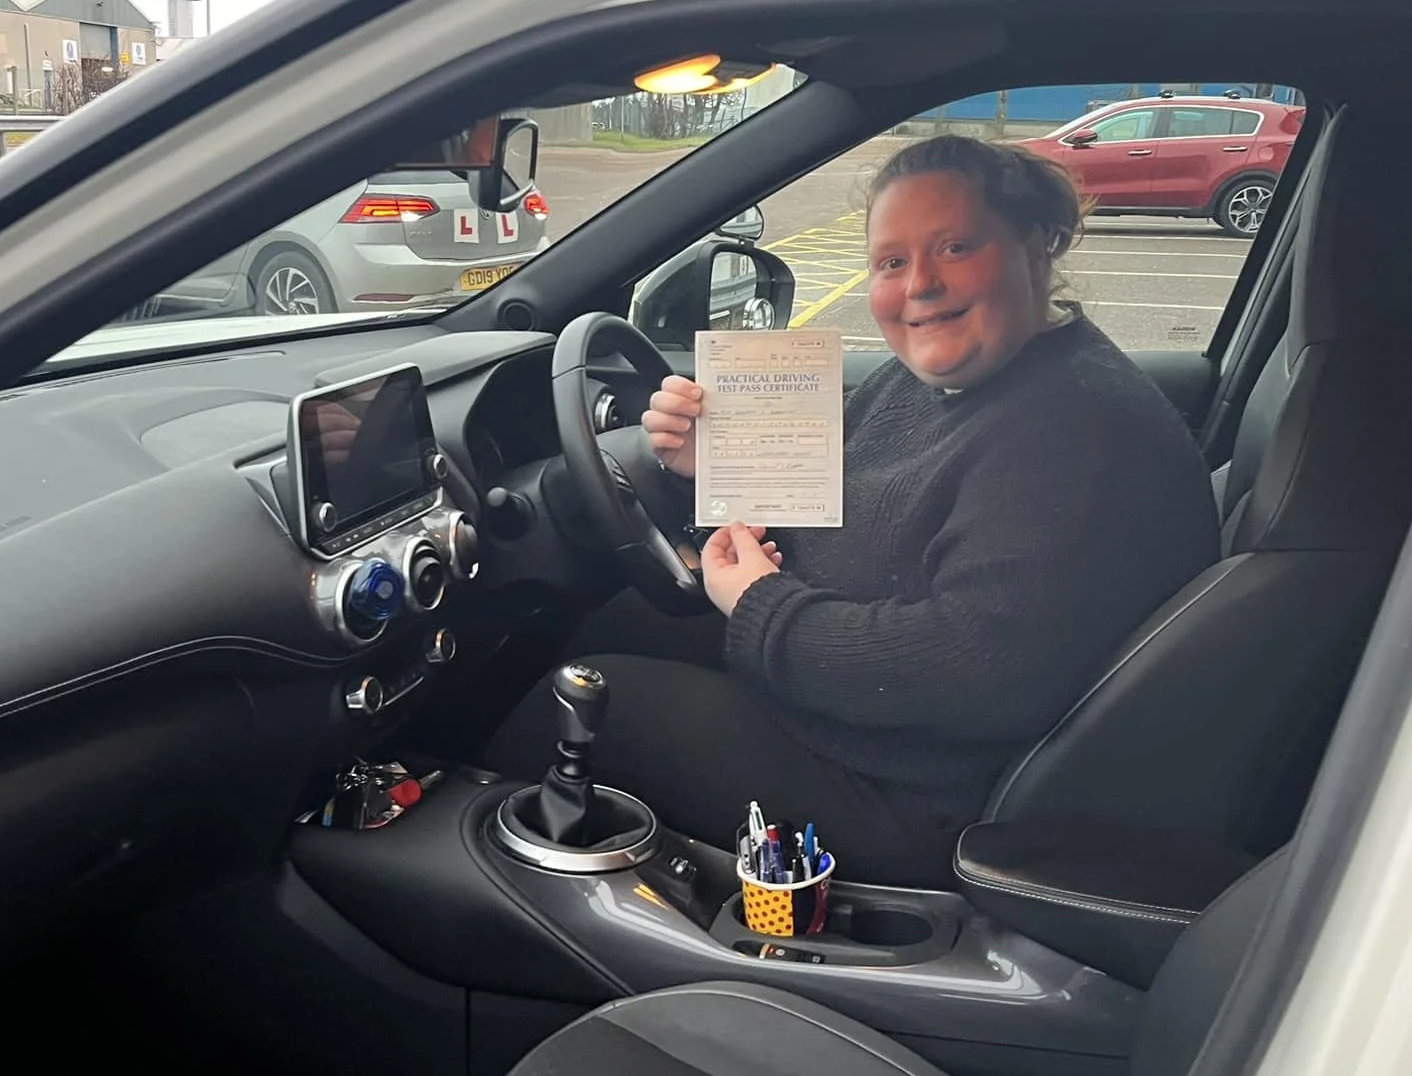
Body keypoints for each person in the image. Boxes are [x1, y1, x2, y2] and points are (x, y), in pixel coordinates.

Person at [486, 134, 1221, 886]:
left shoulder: (1078, 430)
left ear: (1037, 245)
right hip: (857, 714)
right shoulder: (950, 377)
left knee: (582, 700)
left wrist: (757, 605)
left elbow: (971, 669)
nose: (920, 286)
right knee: (615, 625)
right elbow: (858, 496)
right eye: (891, 262)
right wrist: (717, 466)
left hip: (914, 790)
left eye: (956, 246)